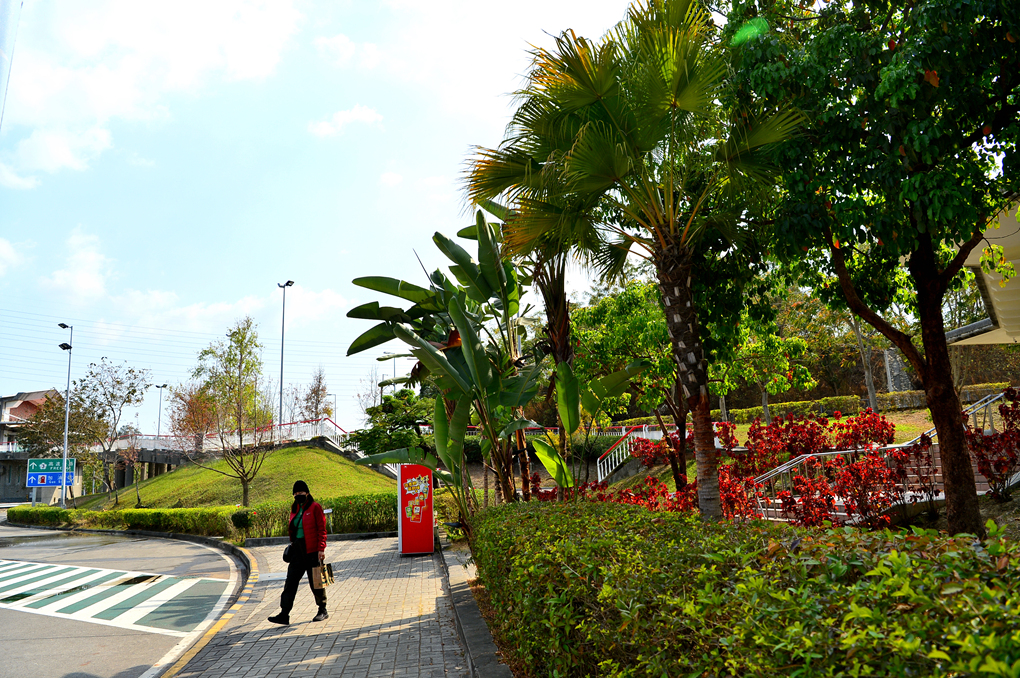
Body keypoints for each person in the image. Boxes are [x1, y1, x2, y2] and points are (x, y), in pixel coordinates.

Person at [268, 480, 328, 624]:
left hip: (312, 550)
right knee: (290, 582)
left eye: (301, 492)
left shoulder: (315, 507)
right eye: (295, 493)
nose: (298, 495)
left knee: (316, 582)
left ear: (307, 493)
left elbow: (322, 529)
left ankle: (322, 609)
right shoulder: (294, 508)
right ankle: (284, 614)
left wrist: (321, 549)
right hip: (297, 551)